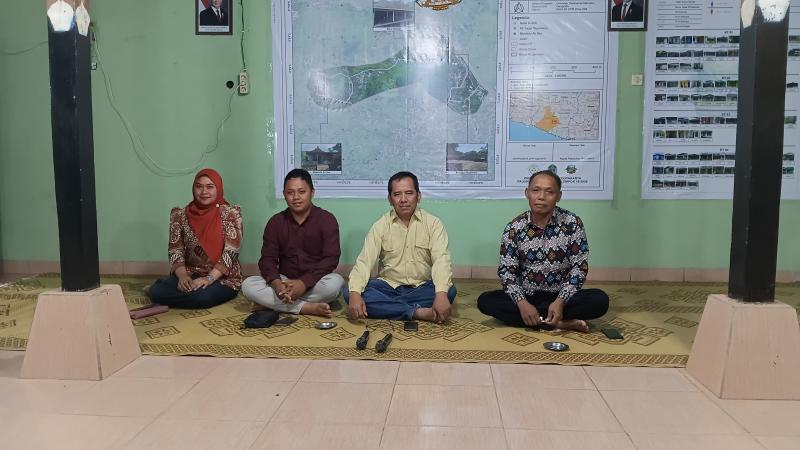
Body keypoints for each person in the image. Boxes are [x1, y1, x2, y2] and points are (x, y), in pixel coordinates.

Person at [477, 170, 609, 331]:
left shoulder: (572, 223)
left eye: (549, 192)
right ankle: (558, 322)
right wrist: (522, 303)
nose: (541, 197)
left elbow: (579, 268)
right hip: (527, 295)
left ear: (559, 196)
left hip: (562, 295)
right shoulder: (514, 227)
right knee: (485, 301)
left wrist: (560, 301)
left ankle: (540, 319)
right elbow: (507, 271)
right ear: (527, 193)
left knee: (600, 300)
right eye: (536, 190)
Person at [344, 171, 456, 323]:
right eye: (397, 194)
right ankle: (417, 312)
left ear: (418, 196)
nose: (403, 199)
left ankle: (390, 308)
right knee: (349, 292)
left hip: (421, 288)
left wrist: (441, 294)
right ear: (390, 199)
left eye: (409, 193)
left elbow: (441, 260)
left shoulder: (433, 224)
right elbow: (364, 261)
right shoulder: (380, 225)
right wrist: (355, 294)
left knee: (449, 290)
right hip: (387, 288)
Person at [241, 169, 344, 318]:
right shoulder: (275, 222)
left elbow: (331, 259)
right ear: (284, 194)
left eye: (301, 192)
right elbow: (267, 260)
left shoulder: (327, 220)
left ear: (312, 193)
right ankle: (305, 307)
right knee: (248, 285)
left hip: (315, 282)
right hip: (284, 281)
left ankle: (273, 304)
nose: (296, 197)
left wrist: (303, 283)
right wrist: (277, 284)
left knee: (335, 284)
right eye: (290, 193)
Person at [148, 168, 243, 309]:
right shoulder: (180, 215)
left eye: (210, 187)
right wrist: (182, 276)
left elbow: (231, 252)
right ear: (193, 188)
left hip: (222, 278)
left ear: (218, 189)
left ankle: (184, 294)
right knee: (156, 292)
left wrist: (208, 279)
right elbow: (175, 250)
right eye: (199, 186)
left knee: (202, 298)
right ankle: (184, 291)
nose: (204, 191)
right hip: (191, 273)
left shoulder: (231, 214)